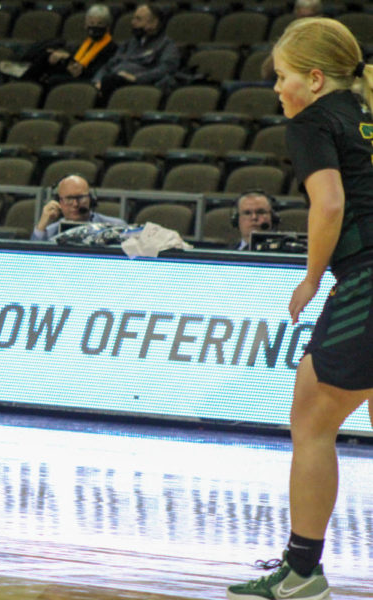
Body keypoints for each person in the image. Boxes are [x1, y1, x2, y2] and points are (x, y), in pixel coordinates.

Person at [226, 17, 373, 600]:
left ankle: (302, 573)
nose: (277, 89)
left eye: (283, 76)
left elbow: (330, 202)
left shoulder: (313, 121)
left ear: (314, 79)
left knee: (311, 419)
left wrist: (314, 276)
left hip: (366, 277)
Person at [0, 4, 117, 87]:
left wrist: (72, 63)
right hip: (73, 70)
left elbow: (98, 71)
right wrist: (65, 58)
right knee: (48, 55)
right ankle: (24, 71)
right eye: (92, 23)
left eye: (100, 23)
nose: (95, 27)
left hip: (86, 78)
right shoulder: (86, 43)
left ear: (107, 27)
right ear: (86, 25)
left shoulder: (110, 47)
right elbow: (76, 60)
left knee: (52, 78)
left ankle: (24, 75)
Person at [92, 3, 180, 102]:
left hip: (137, 86)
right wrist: (97, 81)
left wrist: (137, 78)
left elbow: (166, 69)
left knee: (110, 80)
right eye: (133, 18)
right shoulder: (129, 43)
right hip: (111, 82)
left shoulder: (166, 45)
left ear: (154, 23)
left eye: (138, 19)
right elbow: (109, 65)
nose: (133, 22)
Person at [31, 175, 127, 241]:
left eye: (80, 198)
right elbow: (32, 262)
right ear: (59, 202)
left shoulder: (116, 227)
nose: (75, 204)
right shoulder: (50, 232)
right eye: (69, 199)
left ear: (91, 199)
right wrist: (41, 226)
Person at [259, 0, 324, 81]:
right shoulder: (289, 38)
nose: (305, 22)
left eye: (310, 17)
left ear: (320, 16)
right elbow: (266, 74)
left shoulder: (328, 38)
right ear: (296, 16)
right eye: (302, 17)